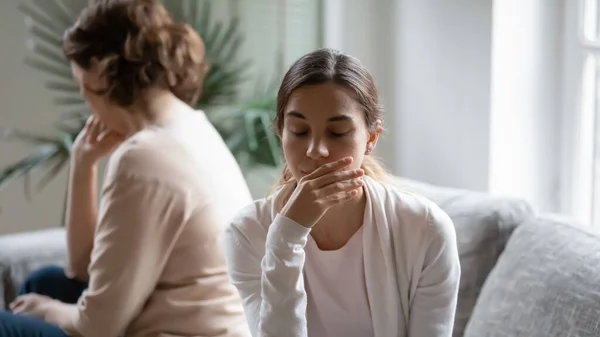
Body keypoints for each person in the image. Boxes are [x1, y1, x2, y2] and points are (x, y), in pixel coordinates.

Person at [0, 0, 253, 336]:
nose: (85, 99)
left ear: (99, 76)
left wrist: (50, 311)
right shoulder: (191, 126)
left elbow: (99, 326)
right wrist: (83, 163)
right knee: (43, 282)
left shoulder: (145, 156)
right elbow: (83, 268)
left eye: (82, 86)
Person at [223, 48, 461, 337]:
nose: (315, 150)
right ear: (281, 132)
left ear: (371, 139)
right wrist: (286, 235)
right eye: (299, 131)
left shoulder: (425, 229)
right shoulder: (248, 233)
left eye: (337, 133)